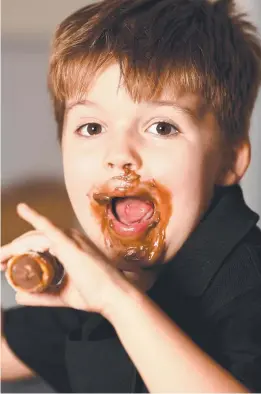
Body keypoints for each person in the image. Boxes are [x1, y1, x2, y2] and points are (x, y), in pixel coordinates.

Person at [1, 0, 261, 392]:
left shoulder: (249, 286)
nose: (120, 155)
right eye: (91, 128)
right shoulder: (93, 287)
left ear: (229, 161)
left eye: (162, 127)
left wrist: (118, 302)